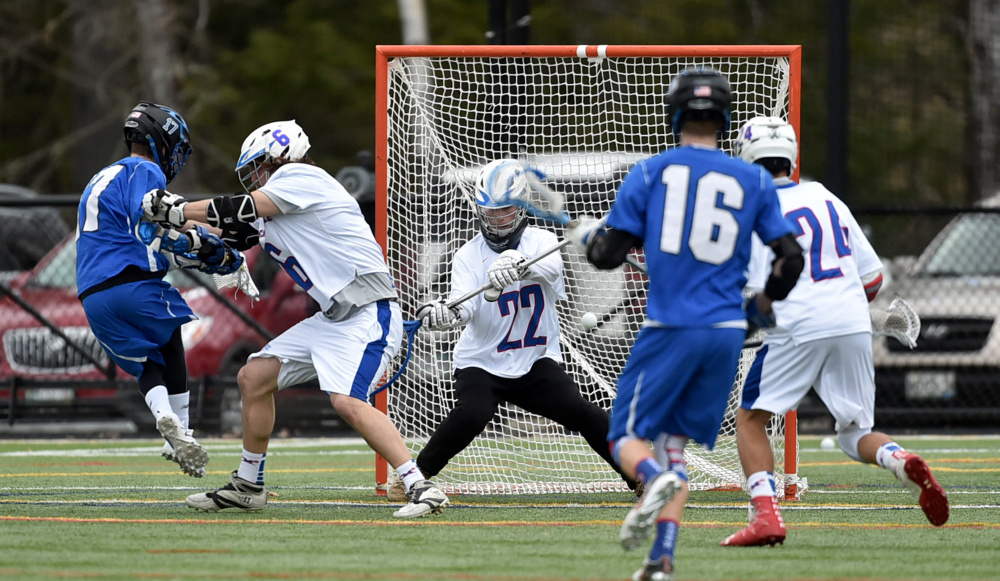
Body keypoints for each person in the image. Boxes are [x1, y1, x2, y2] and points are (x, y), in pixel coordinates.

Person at [141, 120, 449, 518]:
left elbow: (241, 208)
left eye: (257, 167)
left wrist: (176, 206)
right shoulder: (283, 197)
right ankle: (249, 485)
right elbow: (226, 228)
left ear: (280, 157)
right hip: (336, 317)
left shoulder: (302, 176)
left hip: (368, 311)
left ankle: (420, 485)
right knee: (254, 377)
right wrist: (168, 220)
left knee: (348, 401)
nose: (254, 177)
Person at [567, 69, 805, 581]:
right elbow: (790, 260)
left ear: (675, 114)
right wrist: (760, 305)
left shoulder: (651, 173)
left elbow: (609, 256)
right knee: (673, 442)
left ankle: (650, 480)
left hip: (670, 327)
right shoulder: (755, 179)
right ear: (724, 118)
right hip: (725, 336)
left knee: (625, 436)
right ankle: (662, 560)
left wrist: (589, 238)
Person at [719, 117, 949, 547]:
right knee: (854, 433)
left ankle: (765, 517)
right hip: (850, 323)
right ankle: (901, 460)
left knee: (750, 420)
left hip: (796, 324)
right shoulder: (825, 195)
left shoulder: (752, 210)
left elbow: (750, 290)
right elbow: (872, 280)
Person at [401, 159, 640, 498]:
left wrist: (517, 265)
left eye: (506, 210)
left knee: (582, 413)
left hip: (534, 360)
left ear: (522, 207)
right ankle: (413, 477)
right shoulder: (468, 255)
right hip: (481, 360)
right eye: (490, 211)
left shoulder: (542, 241)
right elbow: (463, 308)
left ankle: (638, 476)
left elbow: (551, 271)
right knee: (472, 415)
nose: (497, 219)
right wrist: (445, 316)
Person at [76, 101, 218, 478]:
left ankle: (163, 417)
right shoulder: (146, 168)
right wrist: (200, 242)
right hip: (132, 280)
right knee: (170, 337)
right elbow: (152, 211)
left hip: (92, 295)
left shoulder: (100, 177)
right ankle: (181, 430)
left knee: (144, 365)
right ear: (162, 141)